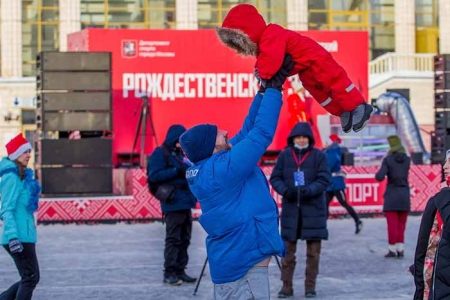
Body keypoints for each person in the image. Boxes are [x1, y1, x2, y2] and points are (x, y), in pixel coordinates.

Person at [179, 55, 294, 300]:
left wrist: (263, 91)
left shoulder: (213, 165)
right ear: (210, 147)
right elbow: (260, 134)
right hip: (245, 269)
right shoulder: (222, 169)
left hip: (240, 264)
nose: (226, 133)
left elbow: (247, 130)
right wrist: (276, 89)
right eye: (219, 135)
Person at [216, 4, 375, 133]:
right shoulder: (265, 44)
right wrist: (263, 74)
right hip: (305, 68)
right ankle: (342, 110)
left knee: (335, 81)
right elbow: (267, 61)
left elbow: (271, 62)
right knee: (319, 92)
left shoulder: (272, 34)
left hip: (315, 58)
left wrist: (263, 75)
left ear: (248, 32)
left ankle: (358, 106)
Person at [270, 122, 330, 298]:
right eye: (298, 137)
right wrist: (285, 190)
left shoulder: (319, 156)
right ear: (293, 138)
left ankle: (310, 287)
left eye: (304, 137)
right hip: (291, 213)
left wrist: (310, 190)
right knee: (288, 254)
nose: (301, 140)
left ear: (309, 139)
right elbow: (275, 178)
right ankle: (286, 287)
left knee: (313, 254)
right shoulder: (285, 155)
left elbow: (324, 179)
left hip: (314, 212)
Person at [147, 124, 197, 285]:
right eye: (179, 140)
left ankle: (181, 270)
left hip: (186, 201)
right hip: (173, 202)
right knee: (173, 239)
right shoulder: (160, 154)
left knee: (185, 239)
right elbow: (154, 176)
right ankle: (169, 272)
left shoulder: (180, 155)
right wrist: (176, 172)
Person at [0, 133, 41, 300]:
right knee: (30, 277)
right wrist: (13, 237)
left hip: (25, 235)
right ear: (16, 154)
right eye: (25, 152)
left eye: (29, 152)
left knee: (30, 277)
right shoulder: (12, 178)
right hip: (17, 237)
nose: (29, 155)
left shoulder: (21, 177)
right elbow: (6, 210)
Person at [411, 149, 450, 300]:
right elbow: (426, 243)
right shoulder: (439, 198)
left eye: (449, 162)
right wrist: (420, 268)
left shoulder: (443, 196)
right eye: (446, 162)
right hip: (438, 280)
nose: (445, 166)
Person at [375, 135, 411, 258]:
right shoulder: (407, 159)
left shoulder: (388, 160)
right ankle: (400, 250)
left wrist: (385, 163)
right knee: (402, 225)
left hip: (391, 196)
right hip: (405, 195)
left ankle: (391, 249)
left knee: (392, 225)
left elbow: (379, 177)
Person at [323, 134, 363, 234]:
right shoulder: (329, 151)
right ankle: (322, 226)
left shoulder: (333, 152)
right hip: (330, 183)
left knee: (343, 202)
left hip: (336, 183)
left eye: (326, 142)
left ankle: (357, 220)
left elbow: (328, 166)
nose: (324, 144)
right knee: (325, 204)